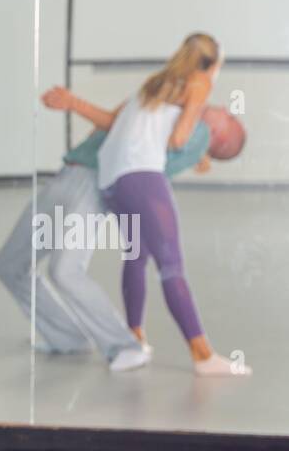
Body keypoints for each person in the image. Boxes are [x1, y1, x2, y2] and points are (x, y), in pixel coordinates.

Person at [0, 89, 245, 372]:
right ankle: (67, 337)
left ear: (218, 136)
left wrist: (73, 102)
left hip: (88, 182)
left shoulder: (195, 133)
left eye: (230, 116)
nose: (224, 107)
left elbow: (120, 127)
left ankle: (125, 346)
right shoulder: (175, 117)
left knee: (65, 270)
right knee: (9, 266)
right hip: (66, 177)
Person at [94, 33, 249, 376]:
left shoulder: (153, 83)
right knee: (171, 266)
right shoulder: (200, 82)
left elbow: (136, 127)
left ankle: (135, 341)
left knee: (136, 257)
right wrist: (197, 146)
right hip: (143, 178)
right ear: (214, 64)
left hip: (113, 180)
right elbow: (179, 138)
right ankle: (203, 355)